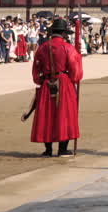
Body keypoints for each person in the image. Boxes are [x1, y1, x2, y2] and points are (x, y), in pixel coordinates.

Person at [23, 18, 82, 157]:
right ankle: (62, 149)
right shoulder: (68, 47)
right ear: (63, 33)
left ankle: (48, 150)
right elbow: (75, 70)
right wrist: (74, 78)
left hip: (46, 83)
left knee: (46, 114)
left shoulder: (43, 47)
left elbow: (36, 69)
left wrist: (40, 80)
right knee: (65, 114)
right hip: (63, 82)